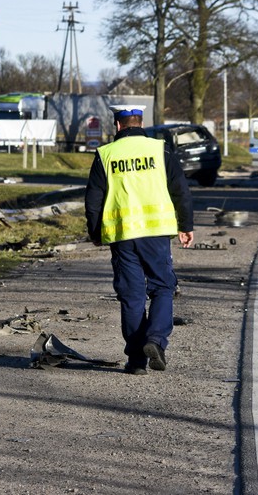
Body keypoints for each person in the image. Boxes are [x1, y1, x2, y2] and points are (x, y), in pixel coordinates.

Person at [84, 105, 194, 376]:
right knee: (163, 288)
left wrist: (96, 232)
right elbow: (180, 188)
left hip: (122, 235)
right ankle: (155, 340)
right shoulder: (160, 149)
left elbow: (93, 199)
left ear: (118, 126)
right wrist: (186, 225)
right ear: (141, 122)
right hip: (156, 234)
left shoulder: (106, 154)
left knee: (132, 296)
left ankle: (135, 361)